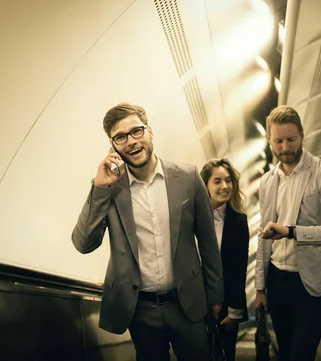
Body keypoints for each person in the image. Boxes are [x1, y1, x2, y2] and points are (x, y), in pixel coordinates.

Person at [72, 103, 223, 361]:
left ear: (150, 131)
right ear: (113, 145)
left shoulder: (187, 177)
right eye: (120, 137)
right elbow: (84, 243)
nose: (130, 141)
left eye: (136, 131)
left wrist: (216, 296)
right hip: (141, 310)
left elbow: (208, 243)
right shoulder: (110, 187)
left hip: (188, 303)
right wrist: (99, 187)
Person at [254, 105, 321, 361]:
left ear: (302, 136)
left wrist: (291, 232)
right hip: (276, 282)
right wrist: (260, 288)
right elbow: (263, 238)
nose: (285, 147)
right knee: (285, 352)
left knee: (301, 355)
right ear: (269, 140)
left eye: (291, 139)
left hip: (310, 285)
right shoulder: (267, 181)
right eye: (278, 141)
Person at [200, 158, 250, 361]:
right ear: (205, 186)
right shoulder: (191, 218)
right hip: (193, 305)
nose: (225, 186)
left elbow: (239, 270)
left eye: (228, 180)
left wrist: (235, 312)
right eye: (217, 181)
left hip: (226, 308)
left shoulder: (238, 221)